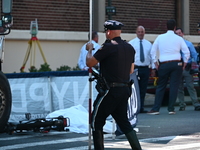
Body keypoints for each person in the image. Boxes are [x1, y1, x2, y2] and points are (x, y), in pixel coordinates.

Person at [86, 20, 142, 150]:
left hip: (110, 91)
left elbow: (90, 63)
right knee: (124, 122)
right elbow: (131, 70)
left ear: (108, 31)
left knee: (96, 122)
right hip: (125, 90)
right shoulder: (130, 48)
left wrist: (89, 50)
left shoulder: (108, 47)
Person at [148, 19, 190, 115]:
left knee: (161, 86)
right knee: (174, 86)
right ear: (175, 28)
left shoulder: (160, 37)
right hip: (176, 64)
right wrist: (184, 63)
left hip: (164, 64)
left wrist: (155, 62)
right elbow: (186, 52)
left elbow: (152, 51)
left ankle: (156, 108)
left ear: (166, 27)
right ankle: (171, 108)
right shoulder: (179, 39)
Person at [129, 26, 154, 113]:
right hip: (135, 69)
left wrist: (153, 68)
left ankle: (141, 107)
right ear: (136, 32)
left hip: (145, 68)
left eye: (142, 32)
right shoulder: (131, 43)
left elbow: (152, 56)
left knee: (143, 89)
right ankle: (134, 108)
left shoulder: (148, 44)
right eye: (139, 32)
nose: (140, 33)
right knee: (135, 89)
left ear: (144, 32)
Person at [175, 28, 200, 111]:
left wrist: (195, 64)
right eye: (176, 34)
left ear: (183, 34)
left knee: (190, 86)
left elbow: (194, 55)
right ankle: (182, 105)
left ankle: (196, 104)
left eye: (179, 33)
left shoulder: (188, 44)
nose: (178, 35)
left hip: (187, 68)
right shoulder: (174, 46)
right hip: (178, 68)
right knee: (179, 88)